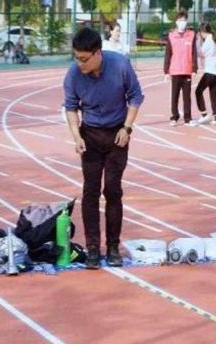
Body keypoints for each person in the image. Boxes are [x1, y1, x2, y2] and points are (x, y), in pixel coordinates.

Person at [63, 27, 144, 269]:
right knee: (90, 191)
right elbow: (71, 107)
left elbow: (135, 97)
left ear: (98, 53)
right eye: (76, 58)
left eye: (84, 59)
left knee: (112, 190)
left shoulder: (120, 65)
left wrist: (127, 128)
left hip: (117, 134)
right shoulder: (73, 75)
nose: (80, 64)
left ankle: (112, 247)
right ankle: (92, 249)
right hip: (90, 134)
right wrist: (76, 136)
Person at [163, 10, 198, 127]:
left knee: (187, 97)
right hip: (175, 70)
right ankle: (174, 117)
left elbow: (194, 52)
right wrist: (166, 70)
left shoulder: (191, 35)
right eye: (180, 20)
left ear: (186, 21)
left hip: (187, 70)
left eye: (184, 20)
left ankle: (188, 118)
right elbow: (168, 53)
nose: (182, 22)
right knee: (175, 96)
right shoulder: (171, 36)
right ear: (176, 21)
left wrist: (195, 69)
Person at [195, 22, 216, 125]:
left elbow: (200, 53)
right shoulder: (214, 39)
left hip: (210, 72)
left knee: (198, 91)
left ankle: (204, 114)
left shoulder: (209, 41)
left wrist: (198, 41)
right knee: (213, 94)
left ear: (202, 31)